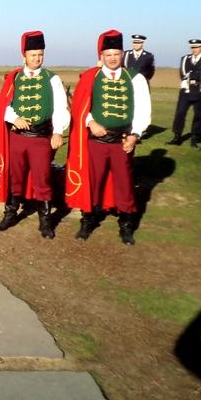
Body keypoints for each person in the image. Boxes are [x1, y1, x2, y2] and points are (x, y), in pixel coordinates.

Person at [65, 29, 151, 245]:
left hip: (122, 141)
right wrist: (91, 122)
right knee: (93, 182)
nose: (112, 58)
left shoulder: (135, 78)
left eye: (116, 54)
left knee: (124, 183)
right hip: (96, 142)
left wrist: (135, 135)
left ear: (122, 54)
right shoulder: (90, 77)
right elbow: (80, 107)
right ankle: (87, 220)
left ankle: (126, 225)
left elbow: (143, 110)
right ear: (101, 55)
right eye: (108, 54)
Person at [0, 31, 69, 238]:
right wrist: (14, 118)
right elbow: (4, 105)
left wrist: (58, 131)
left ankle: (45, 221)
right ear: (24, 56)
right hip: (18, 138)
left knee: (42, 178)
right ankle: (10, 214)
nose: (37, 58)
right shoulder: (15, 78)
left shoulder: (52, 79)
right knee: (15, 176)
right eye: (33, 55)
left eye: (40, 54)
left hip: (40, 138)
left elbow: (61, 107)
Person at [167, 39, 201, 147]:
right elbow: (183, 74)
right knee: (180, 113)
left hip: (200, 91)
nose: (194, 49)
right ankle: (177, 136)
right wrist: (196, 75)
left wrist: (193, 75)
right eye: (192, 47)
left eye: (196, 47)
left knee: (199, 115)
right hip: (186, 91)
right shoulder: (185, 59)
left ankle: (195, 137)